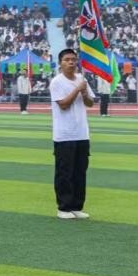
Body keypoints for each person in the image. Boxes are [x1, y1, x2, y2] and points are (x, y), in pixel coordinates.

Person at [49, 48, 94, 220]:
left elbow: (90, 103)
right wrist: (77, 90)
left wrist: (84, 91)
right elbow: (63, 105)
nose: (71, 62)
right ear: (60, 63)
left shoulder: (82, 79)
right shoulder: (57, 82)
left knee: (80, 172)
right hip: (64, 134)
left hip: (81, 132)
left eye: (74, 60)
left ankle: (76, 206)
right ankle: (64, 207)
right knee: (64, 172)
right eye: (67, 59)